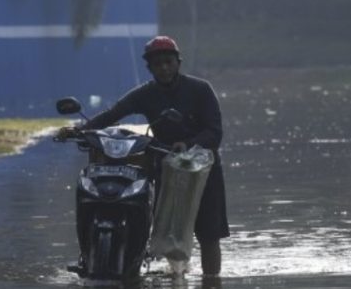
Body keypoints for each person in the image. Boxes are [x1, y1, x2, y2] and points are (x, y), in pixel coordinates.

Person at [59, 35, 229, 275]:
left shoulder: (200, 90)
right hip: (166, 167)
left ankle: (212, 287)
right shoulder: (144, 94)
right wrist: (79, 130)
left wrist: (188, 144)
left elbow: (214, 132)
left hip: (203, 172)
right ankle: (172, 275)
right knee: (168, 229)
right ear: (150, 68)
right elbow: (113, 114)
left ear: (178, 63)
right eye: (158, 64)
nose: (164, 68)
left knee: (209, 234)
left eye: (168, 62)